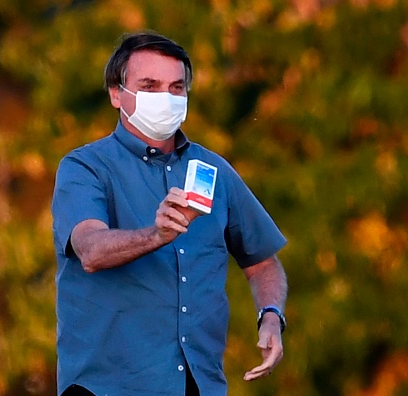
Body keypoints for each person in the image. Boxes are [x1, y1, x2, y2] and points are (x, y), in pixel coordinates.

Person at [52, 31, 288, 396]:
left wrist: (270, 316)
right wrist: (156, 235)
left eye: (176, 87)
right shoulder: (85, 168)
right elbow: (91, 250)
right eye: (149, 86)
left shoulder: (214, 170)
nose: (166, 97)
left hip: (198, 384)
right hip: (107, 387)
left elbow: (262, 263)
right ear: (117, 94)